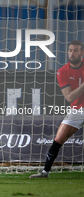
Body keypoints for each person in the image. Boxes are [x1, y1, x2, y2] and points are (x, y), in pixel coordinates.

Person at [30, 40, 84, 178]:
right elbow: (70, 98)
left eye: (76, 50)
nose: (72, 53)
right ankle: (45, 172)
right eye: (70, 50)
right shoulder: (62, 72)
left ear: (82, 52)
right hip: (77, 109)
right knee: (59, 138)